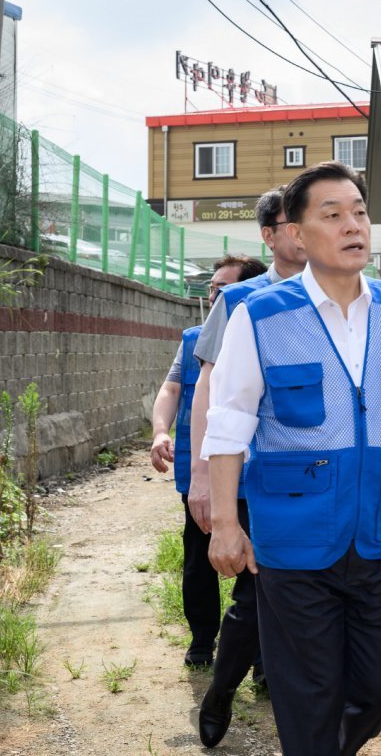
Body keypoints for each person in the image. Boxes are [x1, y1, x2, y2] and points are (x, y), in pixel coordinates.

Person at [203, 160, 381, 756]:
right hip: (294, 537)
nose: (352, 225)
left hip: (380, 530)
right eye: (333, 215)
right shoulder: (260, 315)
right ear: (296, 232)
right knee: (308, 690)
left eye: (359, 213)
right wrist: (227, 523)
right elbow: (229, 422)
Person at [187, 189, 309, 747]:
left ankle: (297, 695)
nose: (309, 230)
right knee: (256, 594)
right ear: (270, 235)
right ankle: (221, 690)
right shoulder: (236, 301)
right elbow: (207, 389)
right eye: (295, 222)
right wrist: (201, 476)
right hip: (256, 475)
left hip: (323, 476)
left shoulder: (354, 295)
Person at [148, 254, 266, 668]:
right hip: (200, 470)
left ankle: (257, 655)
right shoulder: (194, 339)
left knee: (256, 563)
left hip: (254, 473)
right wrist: (161, 431)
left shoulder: (267, 331)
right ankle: (202, 640)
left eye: (223, 288)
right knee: (199, 559)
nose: (214, 294)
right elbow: (171, 390)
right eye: (212, 288)